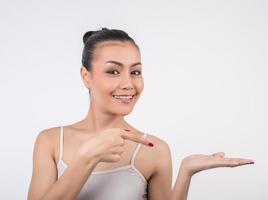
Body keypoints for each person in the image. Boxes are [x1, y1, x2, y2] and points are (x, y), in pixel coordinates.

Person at [27, 27, 255, 200]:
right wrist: (88, 157)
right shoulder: (51, 142)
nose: (128, 83)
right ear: (86, 76)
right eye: (113, 71)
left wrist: (185, 173)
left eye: (135, 71)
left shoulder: (154, 151)